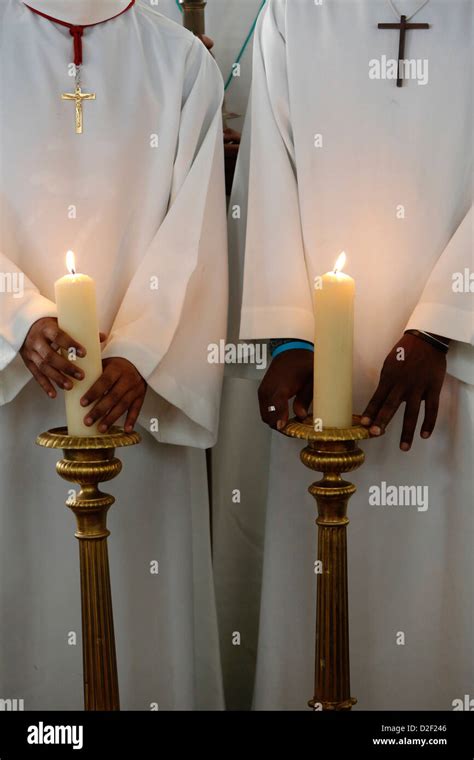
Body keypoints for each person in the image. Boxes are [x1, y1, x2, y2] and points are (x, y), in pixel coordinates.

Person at [233, 0, 473, 709]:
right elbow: (268, 176)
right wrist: (291, 337)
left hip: (455, 369)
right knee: (317, 586)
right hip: (320, 389)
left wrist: (439, 325)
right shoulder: (294, 13)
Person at [0, 0, 227, 709]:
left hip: (136, 405)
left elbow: (196, 224)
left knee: (144, 612)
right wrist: (19, 320)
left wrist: (137, 351)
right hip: (18, 396)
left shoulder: (181, 59)